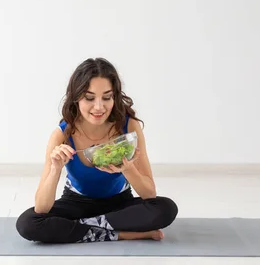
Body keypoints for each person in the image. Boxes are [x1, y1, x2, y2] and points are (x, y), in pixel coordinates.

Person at [16, 57, 178, 244]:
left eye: (107, 97)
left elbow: (149, 193)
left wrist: (127, 169)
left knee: (166, 208)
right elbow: (42, 207)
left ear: (115, 97)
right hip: (76, 202)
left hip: (120, 205)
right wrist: (55, 169)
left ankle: (78, 228)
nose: (99, 107)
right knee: (28, 223)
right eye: (90, 98)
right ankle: (122, 234)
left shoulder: (129, 126)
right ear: (76, 97)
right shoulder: (62, 134)